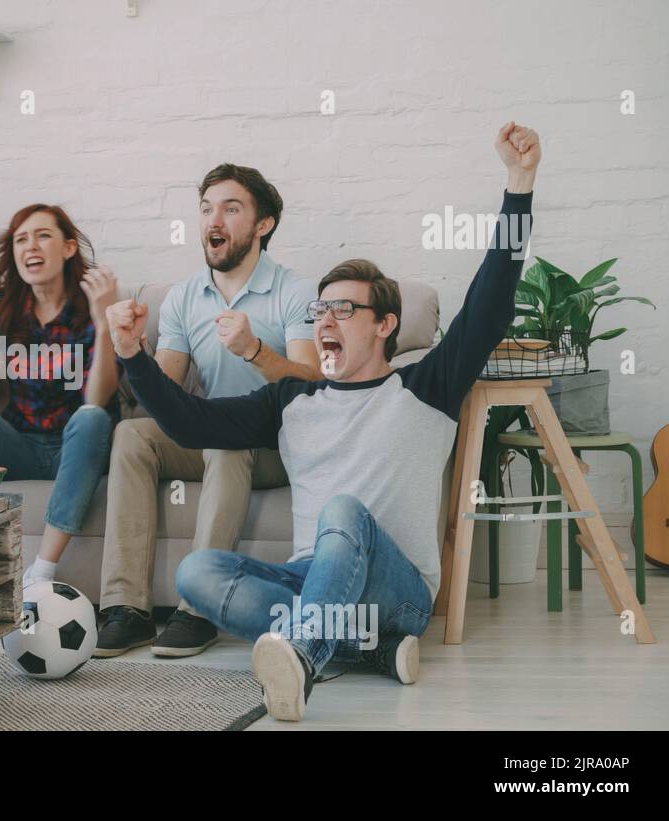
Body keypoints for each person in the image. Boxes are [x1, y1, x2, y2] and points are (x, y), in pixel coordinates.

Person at [107, 122, 541, 721]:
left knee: (342, 510)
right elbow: (189, 424)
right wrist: (131, 355)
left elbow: (491, 302)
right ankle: (364, 653)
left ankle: (307, 658)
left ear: (385, 324)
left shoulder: (424, 386)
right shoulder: (292, 400)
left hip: (400, 591)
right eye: (321, 309)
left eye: (345, 308)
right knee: (196, 571)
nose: (327, 321)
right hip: (313, 582)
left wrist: (519, 185)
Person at [94, 164, 320, 659]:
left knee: (226, 440)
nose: (213, 219)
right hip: (210, 431)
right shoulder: (182, 297)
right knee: (132, 435)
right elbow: (167, 392)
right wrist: (130, 349)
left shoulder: (295, 292)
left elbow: (311, 383)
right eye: (205, 208)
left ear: (264, 225)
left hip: (272, 446)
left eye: (231, 208)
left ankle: (199, 609)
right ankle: (125, 610)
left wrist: (254, 349)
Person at [0, 205, 121, 587]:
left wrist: (104, 323)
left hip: (75, 449)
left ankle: (42, 571)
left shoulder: (92, 306)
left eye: (43, 235)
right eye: (21, 239)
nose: (31, 246)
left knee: (93, 416)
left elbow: (99, 397)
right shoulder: (1, 307)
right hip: (16, 449)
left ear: (67, 248)